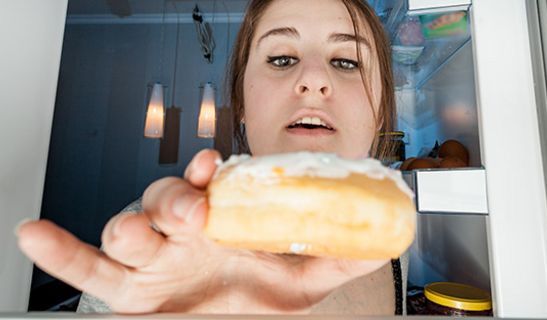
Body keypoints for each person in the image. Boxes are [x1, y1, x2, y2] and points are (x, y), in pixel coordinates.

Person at [17, 0, 409, 314]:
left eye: (346, 61)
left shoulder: (393, 245)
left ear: (380, 109)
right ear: (241, 103)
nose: (314, 79)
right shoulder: (154, 244)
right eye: (282, 59)